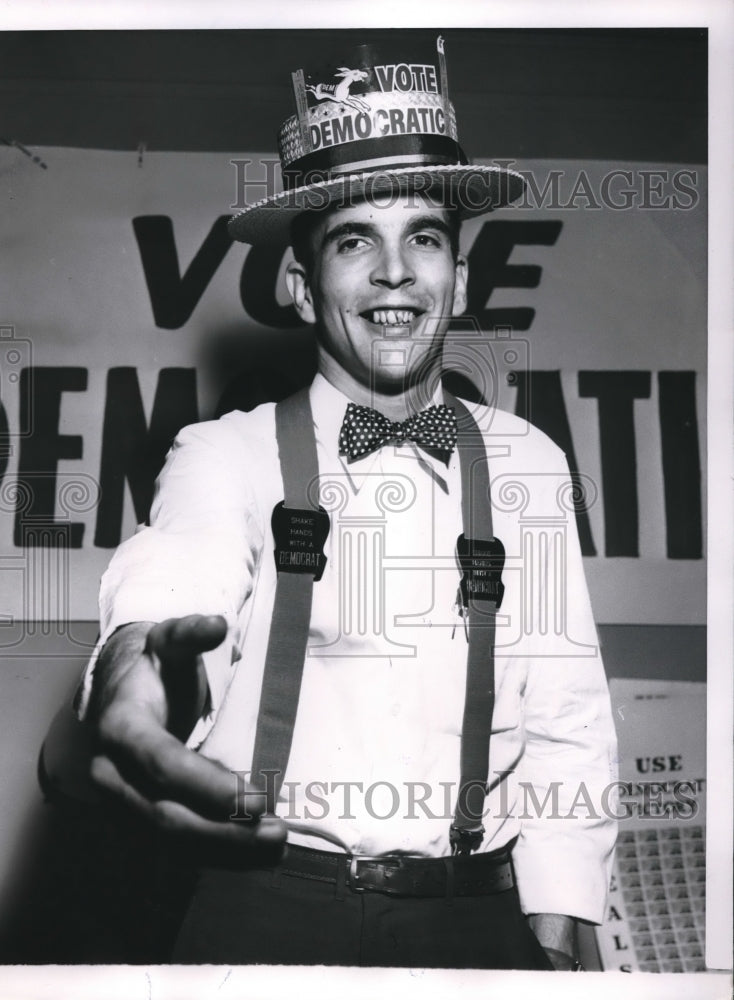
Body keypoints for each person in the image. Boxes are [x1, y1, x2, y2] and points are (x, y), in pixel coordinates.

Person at [52, 36, 618, 969]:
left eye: (424, 238)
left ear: (461, 281)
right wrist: (137, 674)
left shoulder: (532, 462)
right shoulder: (223, 455)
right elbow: (168, 595)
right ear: (301, 285)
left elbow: (570, 721)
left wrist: (563, 915)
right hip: (262, 907)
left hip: (478, 916)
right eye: (356, 239)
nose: (395, 272)